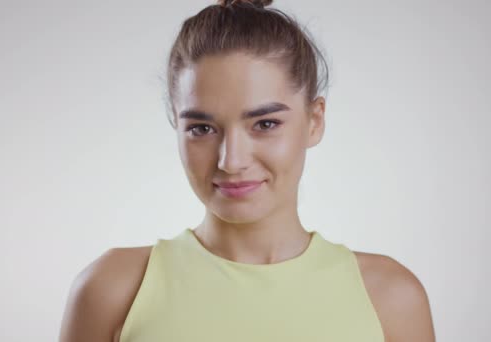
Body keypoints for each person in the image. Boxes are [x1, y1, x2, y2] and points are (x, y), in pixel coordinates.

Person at [59, 0, 436, 341]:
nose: (231, 160)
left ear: (314, 121)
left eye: (265, 124)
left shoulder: (390, 300)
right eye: (201, 129)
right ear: (176, 125)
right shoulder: (112, 290)